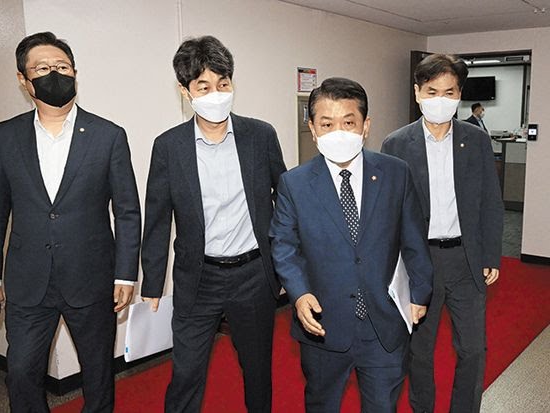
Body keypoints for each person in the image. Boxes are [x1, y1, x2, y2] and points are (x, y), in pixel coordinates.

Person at [0, 32, 141, 412]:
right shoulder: (5, 136)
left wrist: (125, 274)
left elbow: (128, 211)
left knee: (98, 373)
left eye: (62, 66)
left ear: (75, 73)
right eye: (43, 68)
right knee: (21, 372)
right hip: (28, 280)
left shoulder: (108, 136)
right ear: (23, 79)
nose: (55, 73)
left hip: (92, 277)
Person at [140, 35, 286, 413]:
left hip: (253, 275)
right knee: (186, 372)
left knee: (257, 369)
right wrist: (152, 284)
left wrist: (287, 266)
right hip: (198, 277)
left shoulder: (261, 136)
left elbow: (285, 202)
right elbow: (157, 218)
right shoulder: (169, 147)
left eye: (223, 84)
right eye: (204, 86)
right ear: (185, 91)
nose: (216, 94)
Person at [270, 77, 433, 413]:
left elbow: (413, 238)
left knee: (383, 406)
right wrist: (299, 294)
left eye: (348, 122)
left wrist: (420, 292)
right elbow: (284, 245)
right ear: (312, 129)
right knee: (322, 404)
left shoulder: (395, 173)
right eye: (326, 124)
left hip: (384, 322)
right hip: (323, 325)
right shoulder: (294, 184)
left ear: (365, 126)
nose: (338, 132)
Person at [382, 54, 503, 413]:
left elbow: (490, 201)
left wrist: (491, 254)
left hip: (466, 259)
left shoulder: (476, 140)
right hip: (420, 261)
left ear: (459, 94)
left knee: (473, 349)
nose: (440, 99)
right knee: (419, 350)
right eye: (431, 91)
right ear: (417, 93)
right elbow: (389, 213)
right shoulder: (396, 144)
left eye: (449, 92)